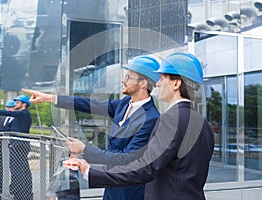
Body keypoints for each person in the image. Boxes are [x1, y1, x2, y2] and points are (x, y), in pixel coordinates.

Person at [63, 52, 215, 200]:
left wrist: (90, 171)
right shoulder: (204, 124)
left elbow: (146, 167)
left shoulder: (170, 120)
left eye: (162, 78)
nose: (158, 84)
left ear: (176, 83)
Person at [22, 55, 161, 200]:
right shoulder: (124, 103)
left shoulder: (151, 118)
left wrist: (84, 149)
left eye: (128, 77)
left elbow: (126, 159)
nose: (123, 80)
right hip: (111, 184)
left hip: (128, 191)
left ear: (143, 83)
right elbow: (91, 104)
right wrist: (50, 98)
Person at [0, 95, 33, 200]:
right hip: (15, 146)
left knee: (20, 171)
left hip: (19, 146)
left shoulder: (24, 113)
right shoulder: (20, 115)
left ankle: (21, 195)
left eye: (17, 102)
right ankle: (22, 194)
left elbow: (9, 113)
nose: (15, 104)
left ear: (24, 104)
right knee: (20, 171)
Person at [0, 100, 15, 198]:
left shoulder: (16, 120)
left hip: (11, 149)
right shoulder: (1, 119)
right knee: (0, 168)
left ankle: (12, 187)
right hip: (0, 148)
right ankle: (2, 187)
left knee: (13, 169)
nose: (9, 109)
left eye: (11, 107)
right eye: (7, 107)